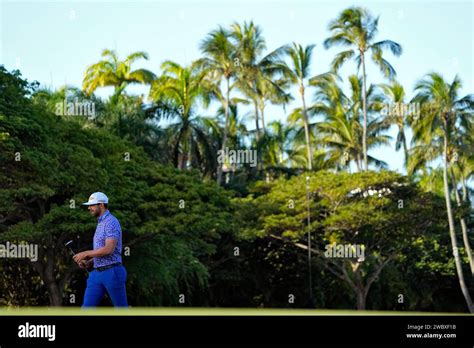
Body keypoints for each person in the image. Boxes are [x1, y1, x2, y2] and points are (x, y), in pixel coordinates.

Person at [73, 192, 128, 307]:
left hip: (112, 272)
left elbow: (109, 249)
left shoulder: (111, 222)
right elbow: (101, 251)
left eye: (92, 205)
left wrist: (86, 253)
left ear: (101, 205)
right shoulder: (100, 223)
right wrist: (90, 262)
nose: (89, 208)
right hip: (96, 274)